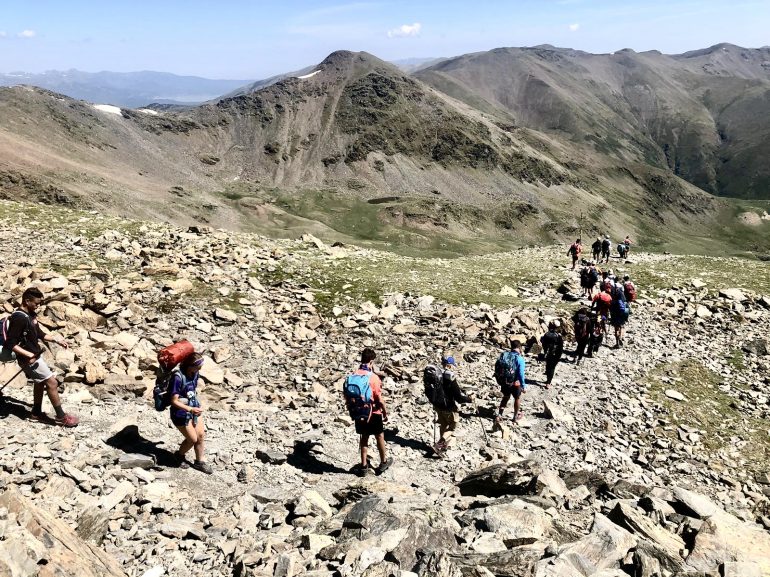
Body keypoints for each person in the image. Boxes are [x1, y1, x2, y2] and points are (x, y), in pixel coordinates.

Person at [2, 287, 78, 427]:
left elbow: (40, 334)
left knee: (40, 382)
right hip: (29, 358)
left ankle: (36, 413)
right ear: (27, 300)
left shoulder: (30, 314)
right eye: (36, 303)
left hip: (35, 355)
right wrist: (28, 354)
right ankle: (61, 417)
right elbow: (10, 343)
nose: (38, 306)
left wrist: (56, 340)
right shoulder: (19, 318)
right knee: (52, 383)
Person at [345, 348, 393, 476]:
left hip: (359, 412)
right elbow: (380, 399)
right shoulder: (373, 378)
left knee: (364, 437)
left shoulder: (352, 376)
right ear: (371, 362)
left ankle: (364, 466)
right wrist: (385, 413)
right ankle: (383, 462)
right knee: (379, 436)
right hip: (374, 412)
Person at [169, 352, 212, 474]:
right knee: (192, 439)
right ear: (190, 365)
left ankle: (199, 462)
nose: (200, 369)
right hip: (181, 413)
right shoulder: (177, 378)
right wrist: (190, 409)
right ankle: (179, 455)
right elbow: (174, 401)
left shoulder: (195, 373)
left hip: (194, 408)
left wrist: (194, 406)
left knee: (201, 436)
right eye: (198, 367)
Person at [431, 354, 471, 457]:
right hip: (449, 406)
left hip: (438, 405)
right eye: (452, 365)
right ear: (449, 365)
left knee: (443, 424)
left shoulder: (436, 374)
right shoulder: (450, 377)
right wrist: (469, 399)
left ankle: (442, 446)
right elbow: (458, 397)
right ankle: (439, 444)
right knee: (453, 426)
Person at [495, 340, 526, 423]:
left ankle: (499, 415)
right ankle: (515, 417)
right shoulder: (519, 358)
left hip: (505, 381)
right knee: (517, 398)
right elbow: (521, 373)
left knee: (505, 397)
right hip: (515, 382)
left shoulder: (504, 355)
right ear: (519, 348)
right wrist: (523, 385)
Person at [539, 322, 564, 388]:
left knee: (548, 365)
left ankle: (547, 377)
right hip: (555, 353)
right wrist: (559, 355)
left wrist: (545, 351)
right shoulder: (558, 336)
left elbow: (543, 342)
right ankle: (548, 382)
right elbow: (561, 346)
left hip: (548, 353)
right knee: (552, 367)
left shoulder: (547, 334)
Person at [609, 282, 629, 348]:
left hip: (615, 315)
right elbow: (626, 306)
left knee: (616, 329)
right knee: (622, 326)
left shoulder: (613, 299)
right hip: (621, 314)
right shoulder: (622, 297)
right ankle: (621, 336)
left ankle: (617, 343)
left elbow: (610, 308)